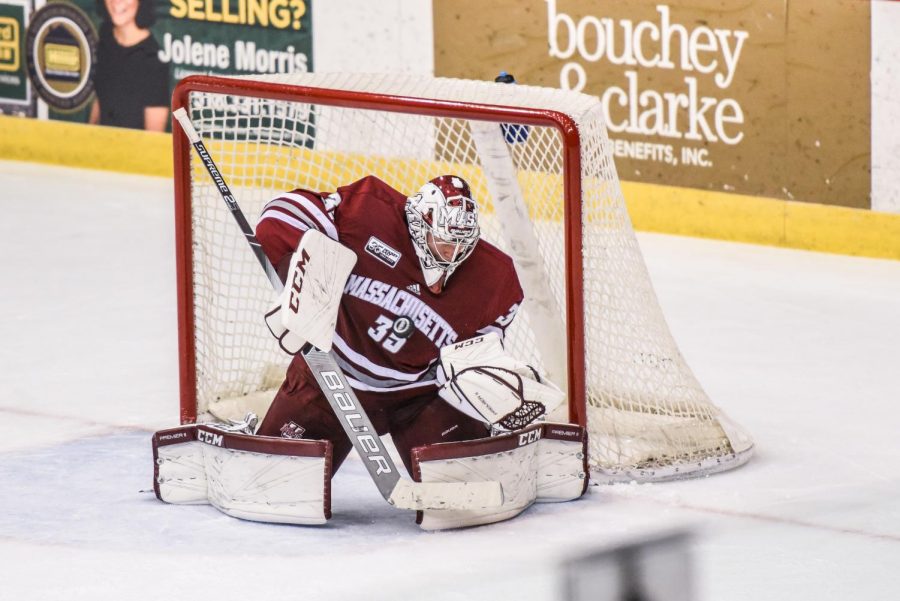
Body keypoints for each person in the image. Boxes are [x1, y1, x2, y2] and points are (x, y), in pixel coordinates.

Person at [254, 174, 525, 476]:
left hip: (418, 396)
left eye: (462, 244)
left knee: (462, 481)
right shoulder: (367, 211)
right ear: (420, 225)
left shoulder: (493, 277)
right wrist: (297, 274)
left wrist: (482, 380)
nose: (454, 254)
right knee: (273, 478)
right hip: (328, 379)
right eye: (445, 242)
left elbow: (478, 350)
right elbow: (278, 215)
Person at [89, 0, 168, 131]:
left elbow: (154, 136)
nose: (117, 2)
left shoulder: (153, 61)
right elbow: (101, 99)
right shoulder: (106, 35)